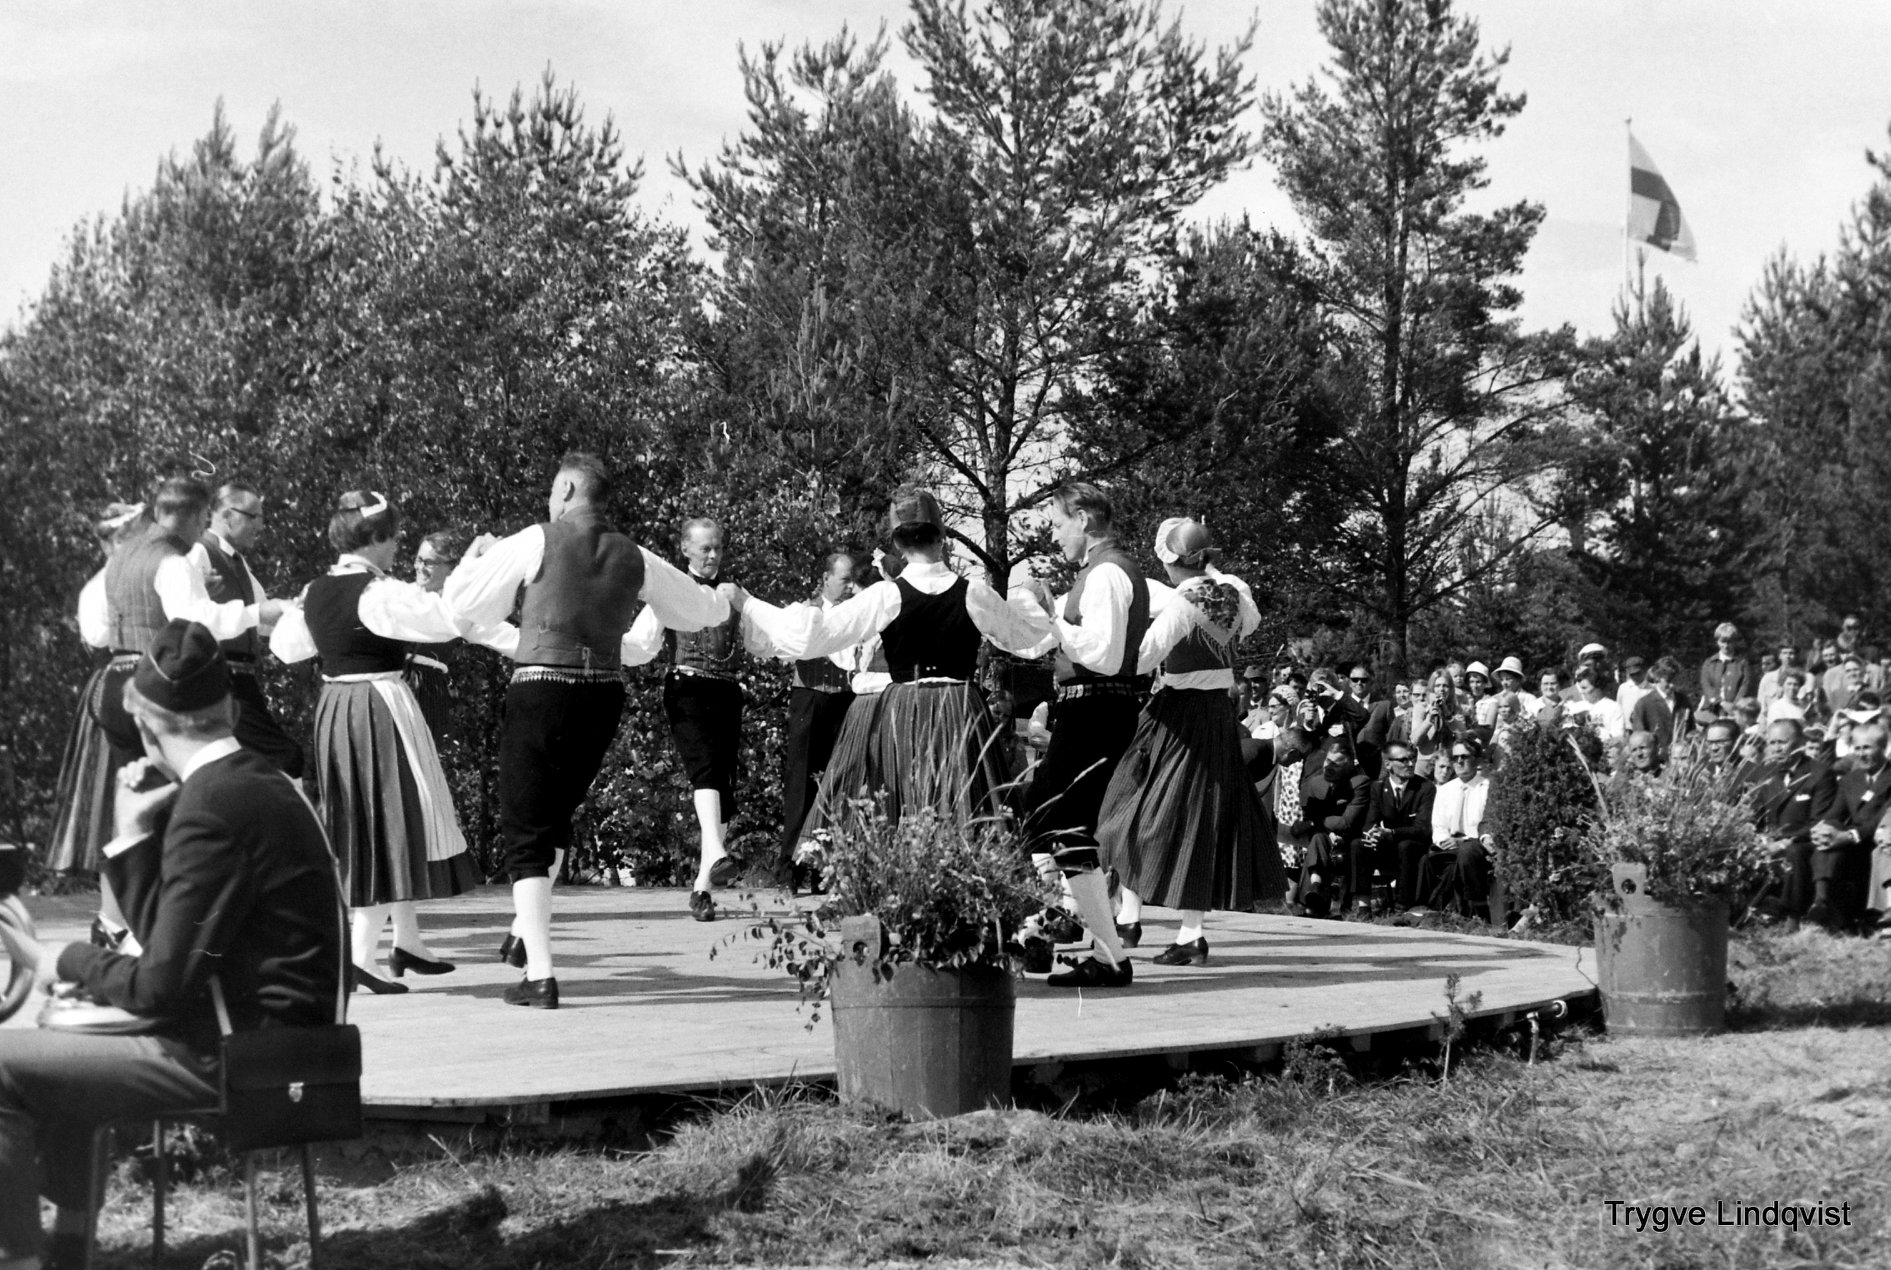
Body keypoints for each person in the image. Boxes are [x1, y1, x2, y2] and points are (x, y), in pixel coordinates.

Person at [0, 620, 345, 1270]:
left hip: (237, 1057)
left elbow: (159, 984)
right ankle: (69, 1245)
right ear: (230, 709)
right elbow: (177, 947)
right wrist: (132, 836)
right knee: (62, 1054)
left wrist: (61, 960)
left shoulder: (210, 807)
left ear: (147, 726)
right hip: (288, 1044)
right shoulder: (258, 784)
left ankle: (18, 1259)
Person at [444, 453, 730, 1008]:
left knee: (525, 828)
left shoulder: (537, 540)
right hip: (602, 694)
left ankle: (541, 977)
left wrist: (471, 560)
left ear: (570, 487)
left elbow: (461, 606)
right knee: (553, 821)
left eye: (555, 490)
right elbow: (700, 612)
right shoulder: (636, 556)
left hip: (542, 686)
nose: (551, 500)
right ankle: (525, 934)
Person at [742, 491, 1050, 845]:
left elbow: (816, 636)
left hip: (904, 711)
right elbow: (1024, 637)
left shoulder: (886, 595)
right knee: (964, 809)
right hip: (960, 710)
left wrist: (750, 606)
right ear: (941, 536)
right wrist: (1028, 597)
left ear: (898, 542)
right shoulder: (973, 592)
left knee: (903, 806)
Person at [271, 491, 483, 993]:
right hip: (377, 706)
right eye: (392, 538)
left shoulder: (318, 588)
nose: (396, 549)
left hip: (334, 707)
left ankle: (406, 941)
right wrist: (474, 569)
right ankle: (358, 956)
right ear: (375, 538)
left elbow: (285, 648)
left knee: (372, 822)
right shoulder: (379, 592)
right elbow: (445, 622)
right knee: (394, 820)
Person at [1095, 519, 1286, 965]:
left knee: (1128, 806)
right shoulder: (1234, 594)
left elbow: (1142, 658)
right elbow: (1251, 622)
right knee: (1198, 819)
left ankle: (1135, 918)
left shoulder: (1182, 604)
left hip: (1176, 713)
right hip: (1218, 712)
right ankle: (1176, 929)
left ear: (1169, 560)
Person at [1017, 482, 1149, 989]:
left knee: (1056, 820)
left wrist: (1050, 617)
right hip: (1093, 709)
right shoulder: (1103, 572)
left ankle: (1087, 943)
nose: (1054, 535)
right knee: (1045, 814)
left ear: (1085, 519)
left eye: (1057, 523)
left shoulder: (1109, 573)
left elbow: (1105, 654)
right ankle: (1070, 932)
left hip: (1098, 708)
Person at [623, 518, 775, 921]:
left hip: (726, 691)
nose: (712, 556)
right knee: (705, 769)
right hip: (686, 687)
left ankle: (702, 889)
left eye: (718, 548)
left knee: (723, 786)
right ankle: (719, 853)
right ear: (686, 550)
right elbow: (642, 642)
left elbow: (761, 642)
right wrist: (601, 643)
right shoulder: (672, 591)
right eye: (705, 548)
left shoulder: (734, 594)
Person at [44, 502, 150, 881]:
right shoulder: (98, 587)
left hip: (148, 683)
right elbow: (98, 636)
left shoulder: (144, 575)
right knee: (113, 791)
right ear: (118, 541)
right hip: (116, 687)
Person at [189, 482, 304, 779]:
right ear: (228, 515)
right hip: (218, 682)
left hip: (241, 682)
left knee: (252, 768)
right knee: (287, 759)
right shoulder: (198, 554)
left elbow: (265, 618)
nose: (261, 526)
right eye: (254, 517)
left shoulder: (238, 562)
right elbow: (191, 619)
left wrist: (310, 611)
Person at [771, 553, 860, 889]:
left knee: (837, 784)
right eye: (844, 579)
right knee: (800, 782)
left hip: (844, 699)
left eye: (853, 580)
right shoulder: (805, 610)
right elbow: (783, 649)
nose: (850, 586)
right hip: (809, 696)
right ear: (826, 577)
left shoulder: (856, 612)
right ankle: (789, 869)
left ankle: (825, 870)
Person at [1747, 719, 1836, 925]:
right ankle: (1747, 911)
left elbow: (1819, 820)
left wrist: (1784, 841)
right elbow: (1753, 814)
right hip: (1768, 838)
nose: (1776, 748)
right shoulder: (1764, 773)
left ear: (1799, 743)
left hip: (1803, 840)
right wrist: (1758, 839)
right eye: (1772, 743)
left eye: (1782, 742)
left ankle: (1791, 914)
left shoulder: (1820, 773)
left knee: (1793, 853)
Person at [1810, 719, 1891, 932]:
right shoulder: (1850, 779)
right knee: (1828, 838)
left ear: (1882, 748)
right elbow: (1836, 813)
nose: (1861, 754)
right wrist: (1823, 829)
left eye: (1867, 747)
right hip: (1852, 839)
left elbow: (1882, 818)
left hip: (1877, 838)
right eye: (1857, 748)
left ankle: (1833, 909)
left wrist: (1850, 836)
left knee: (1838, 842)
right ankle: (1821, 901)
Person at [1420, 735, 1496, 920]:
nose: (1459, 762)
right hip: (1451, 847)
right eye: (1455, 758)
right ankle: (1426, 907)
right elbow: (1438, 827)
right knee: (1426, 860)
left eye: (1465, 757)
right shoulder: (1445, 790)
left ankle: (1473, 912)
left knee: (1466, 853)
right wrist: (1444, 841)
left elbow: (1487, 826)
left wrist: (1461, 841)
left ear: (1477, 760)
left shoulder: (1489, 788)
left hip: (1477, 845)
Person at [1359, 740, 1436, 911]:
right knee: (1359, 845)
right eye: (1403, 760)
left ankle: (1402, 906)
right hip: (1387, 843)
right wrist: (1371, 835)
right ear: (1388, 764)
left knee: (1405, 846)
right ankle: (1362, 905)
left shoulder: (1425, 788)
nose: (1410, 764)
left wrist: (1391, 832)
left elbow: (1422, 828)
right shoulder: (1378, 788)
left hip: (1413, 844)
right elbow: (1369, 823)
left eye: (1412, 759)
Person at [1699, 622, 1751, 708]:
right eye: (1722, 641)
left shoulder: (1742, 664)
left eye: (1729, 642)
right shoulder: (1709, 663)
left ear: (1735, 642)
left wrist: (1734, 706)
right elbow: (1706, 685)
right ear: (1717, 642)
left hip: (1735, 710)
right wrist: (1721, 703)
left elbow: (1744, 687)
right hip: (1711, 708)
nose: (1726, 646)